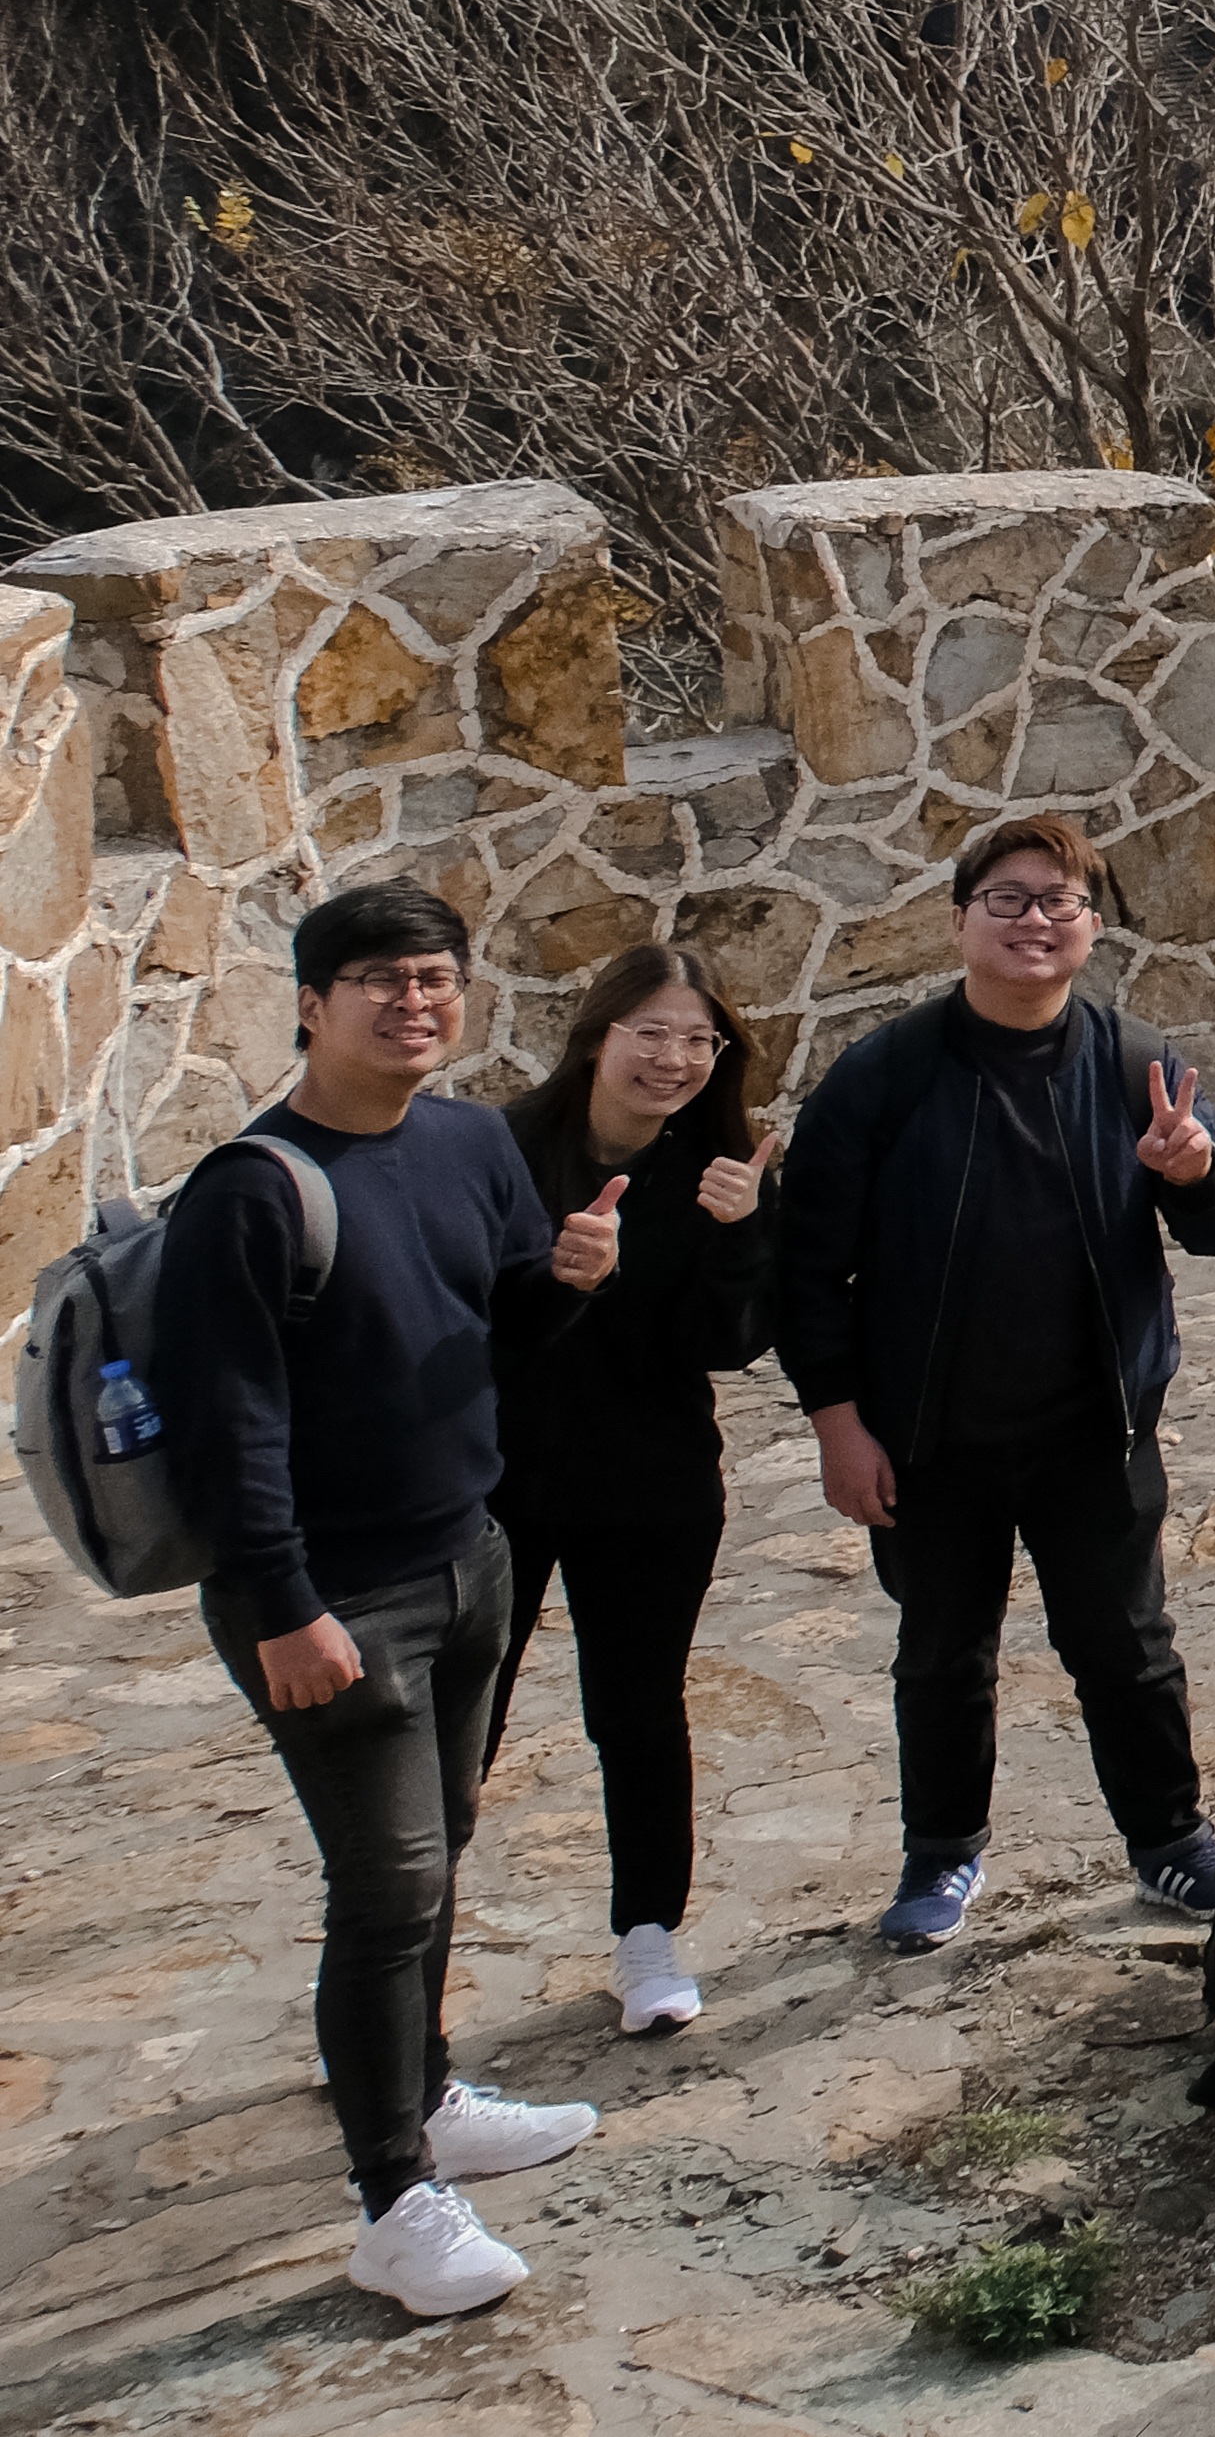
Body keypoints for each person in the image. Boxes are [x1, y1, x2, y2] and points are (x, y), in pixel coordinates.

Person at [148, 883, 629, 2318]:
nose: (413, 1001)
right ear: (310, 1002)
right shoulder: (251, 1187)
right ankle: (391, 2197)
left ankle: (426, 2093)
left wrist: (572, 1279)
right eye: (377, 979)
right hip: (330, 1597)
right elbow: (222, 1420)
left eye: (436, 977)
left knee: (447, 1839)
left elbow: (492, 1328)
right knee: (389, 1883)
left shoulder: (471, 1139)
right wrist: (285, 1603)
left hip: (463, 1556)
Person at [774, 813, 1215, 1952]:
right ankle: (941, 1853)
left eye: (1060, 899)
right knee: (944, 1652)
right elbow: (808, 1267)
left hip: (1092, 1428)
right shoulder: (883, 1076)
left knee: (1127, 1646)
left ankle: (1170, 1842)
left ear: (1092, 927)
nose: (1033, 919)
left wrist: (1194, 1169)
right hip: (929, 1435)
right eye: (1007, 897)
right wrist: (837, 1424)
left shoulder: (1132, 1056)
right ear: (959, 920)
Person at [492, 944, 779, 2040]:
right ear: (597, 1031)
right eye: (650, 1030)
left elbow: (729, 1342)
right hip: (500, 1484)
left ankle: (648, 1934)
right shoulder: (501, 1149)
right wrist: (557, 1275)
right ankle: (401, 1959)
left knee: (638, 1709)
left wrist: (741, 1228)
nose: (673, 1057)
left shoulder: (722, 1169)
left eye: (699, 1039)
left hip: (650, 1481)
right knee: (460, 1723)